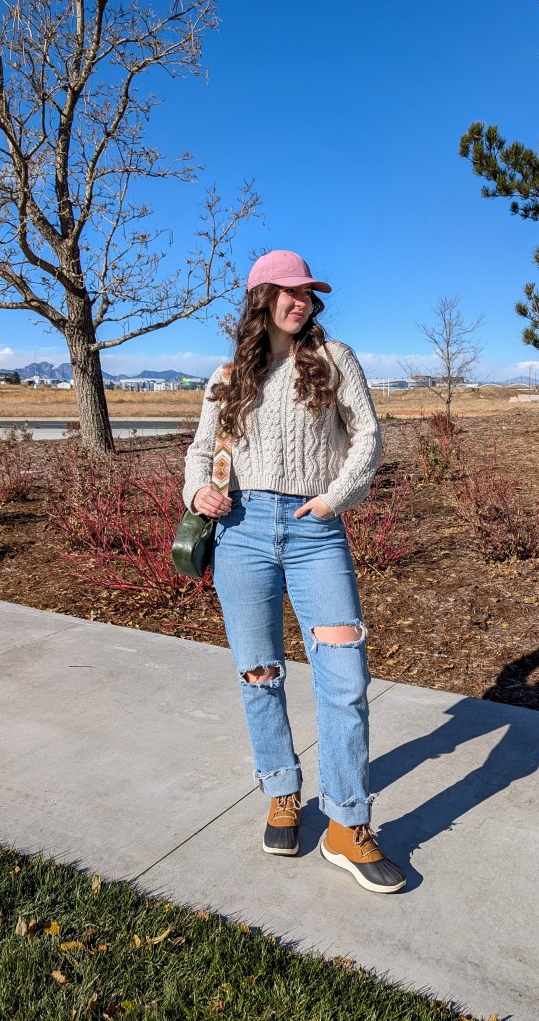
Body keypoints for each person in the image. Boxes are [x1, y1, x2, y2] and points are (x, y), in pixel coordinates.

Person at [182, 250, 405, 894]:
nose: (299, 299)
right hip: (241, 532)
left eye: (307, 290)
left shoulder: (336, 361)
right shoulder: (227, 377)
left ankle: (346, 823)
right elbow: (200, 453)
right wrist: (198, 493)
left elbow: (366, 436)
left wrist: (337, 497)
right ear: (260, 299)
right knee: (259, 672)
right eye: (286, 290)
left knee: (344, 675)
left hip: (315, 530)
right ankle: (281, 789)